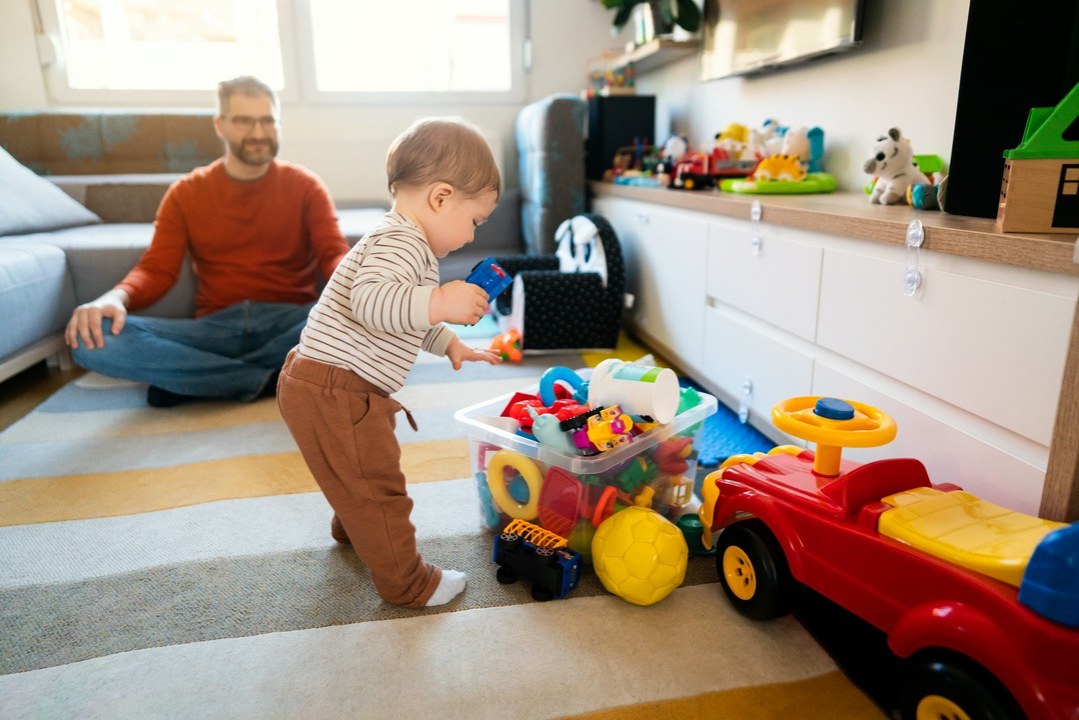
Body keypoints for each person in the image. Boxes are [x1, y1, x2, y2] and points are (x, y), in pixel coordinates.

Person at [276, 117, 502, 608]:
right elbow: (373, 303)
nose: (470, 236)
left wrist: (448, 342)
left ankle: (355, 530)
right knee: (379, 488)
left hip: (318, 382)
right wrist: (440, 301)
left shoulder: (403, 241)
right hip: (337, 390)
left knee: (350, 473)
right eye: (474, 221)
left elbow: (403, 316)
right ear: (441, 198)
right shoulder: (401, 242)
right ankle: (408, 583)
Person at [64, 75, 349, 407]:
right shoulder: (186, 192)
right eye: (244, 121)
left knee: (351, 318)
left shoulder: (305, 186)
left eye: (267, 121)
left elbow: (334, 255)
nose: (258, 133)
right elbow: (157, 269)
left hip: (291, 323)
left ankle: (197, 380)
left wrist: (364, 289)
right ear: (220, 126)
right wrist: (113, 299)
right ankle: (265, 379)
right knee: (90, 342)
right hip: (215, 330)